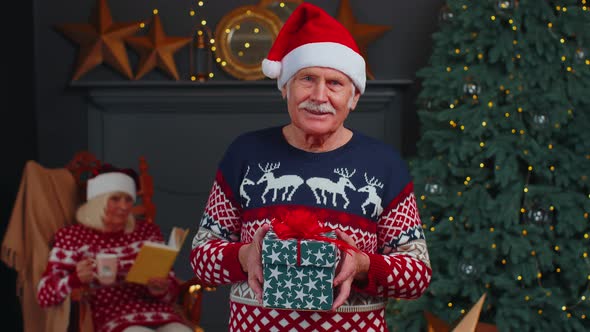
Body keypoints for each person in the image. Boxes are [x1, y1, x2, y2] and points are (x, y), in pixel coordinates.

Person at [190, 3, 431, 331]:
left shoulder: (383, 165)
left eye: (335, 83)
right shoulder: (246, 153)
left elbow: (416, 275)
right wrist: (245, 256)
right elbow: (202, 259)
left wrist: (361, 264)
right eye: (307, 79)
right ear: (286, 87)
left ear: (354, 97)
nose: (319, 96)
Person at [37, 164, 192, 332]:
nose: (124, 207)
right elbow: (45, 295)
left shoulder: (147, 232)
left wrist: (161, 289)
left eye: (128, 199)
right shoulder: (72, 237)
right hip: (111, 315)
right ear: (98, 201)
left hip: (158, 312)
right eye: (116, 199)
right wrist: (75, 279)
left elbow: (172, 293)